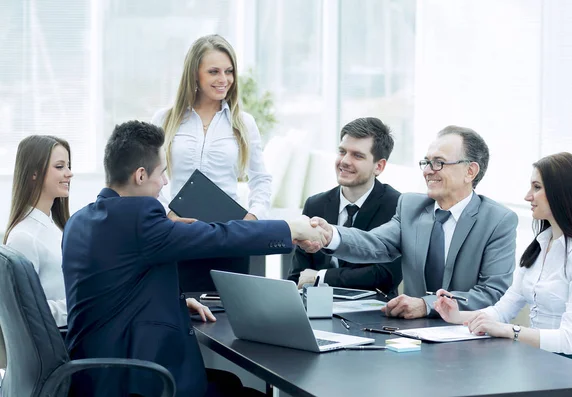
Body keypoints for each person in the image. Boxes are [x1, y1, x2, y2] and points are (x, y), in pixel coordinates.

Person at [62, 121, 324, 397]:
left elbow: (112, 287)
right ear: (140, 175)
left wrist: (167, 300)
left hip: (94, 377)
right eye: (162, 173)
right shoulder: (139, 221)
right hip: (135, 381)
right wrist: (290, 229)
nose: (165, 182)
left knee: (230, 384)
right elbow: (221, 235)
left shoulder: (79, 221)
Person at [302, 125, 518, 319]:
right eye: (426, 162)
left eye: (438, 163)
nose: (427, 171)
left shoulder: (498, 221)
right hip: (412, 334)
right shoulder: (411, 206)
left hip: (469, 335)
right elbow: (375, 243)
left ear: (470, 171)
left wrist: (427, 305)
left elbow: (492, 293)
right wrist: (330, 235)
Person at [434, 152, 572, 367]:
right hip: (536, 362)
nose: (528, 196)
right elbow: (503, 310)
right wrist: (456, 315)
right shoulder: (539, 247)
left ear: (563, 193)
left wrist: (509, 331)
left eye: (537, 187)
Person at [151, 34, 271, 293]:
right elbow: (148, 179)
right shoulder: (164, 119)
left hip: (228, 235)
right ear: (195, 74)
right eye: (214, 71)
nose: (224, 79)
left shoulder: (243, 122)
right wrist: (167, 215)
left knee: (228, 316)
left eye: (229, 72)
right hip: (179, 233)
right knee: (183, 312)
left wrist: (253, 217)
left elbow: (261, 179)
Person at [288, 117, 402, 296]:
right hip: (316, 308)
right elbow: (298, 275)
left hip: (373, 314)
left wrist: (321, 277)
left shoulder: (397, 206)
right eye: (342, 152)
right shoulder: (315, 204)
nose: (344, 161)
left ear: (378, 166)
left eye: (357, 155)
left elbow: (385, 276)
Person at [4, 135, 73, 327]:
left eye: (68, 166)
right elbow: (25, 312)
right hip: (62, 342)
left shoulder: (56, 227)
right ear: (34, 173)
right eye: (60, 167)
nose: (69, 173)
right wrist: (81, 305)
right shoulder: (24, 238)